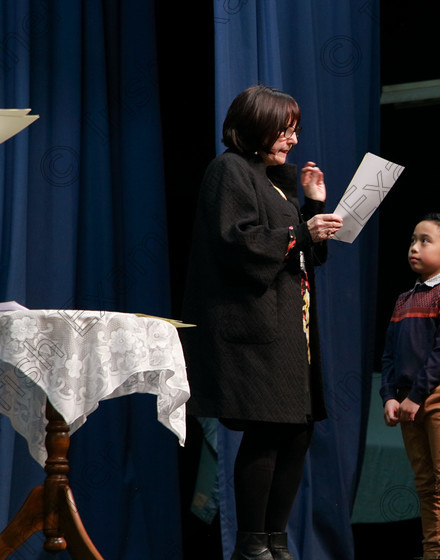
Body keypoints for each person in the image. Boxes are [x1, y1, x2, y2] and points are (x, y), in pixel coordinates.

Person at [180, 85, 343, 560]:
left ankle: (276, 542)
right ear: (255, 126)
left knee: (297, 429)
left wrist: (312, 204)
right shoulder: (227, 169)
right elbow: (237, 243)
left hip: (290, 328)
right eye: (284, 129)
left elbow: (305, 252)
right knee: (269, 429)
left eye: (294, 130)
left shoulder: (273, 179)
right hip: (254, 329)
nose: (293, 140)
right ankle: (252, 545)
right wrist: (300, 228)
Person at [380, 213, 440, 560]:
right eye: (412, 240)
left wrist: (417, 396)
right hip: (408, 401)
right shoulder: (404, 300)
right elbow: (389, 353)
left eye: (424, 241)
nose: (414, 248)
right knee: (425, 482)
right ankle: (434, 552)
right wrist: (390, 395)